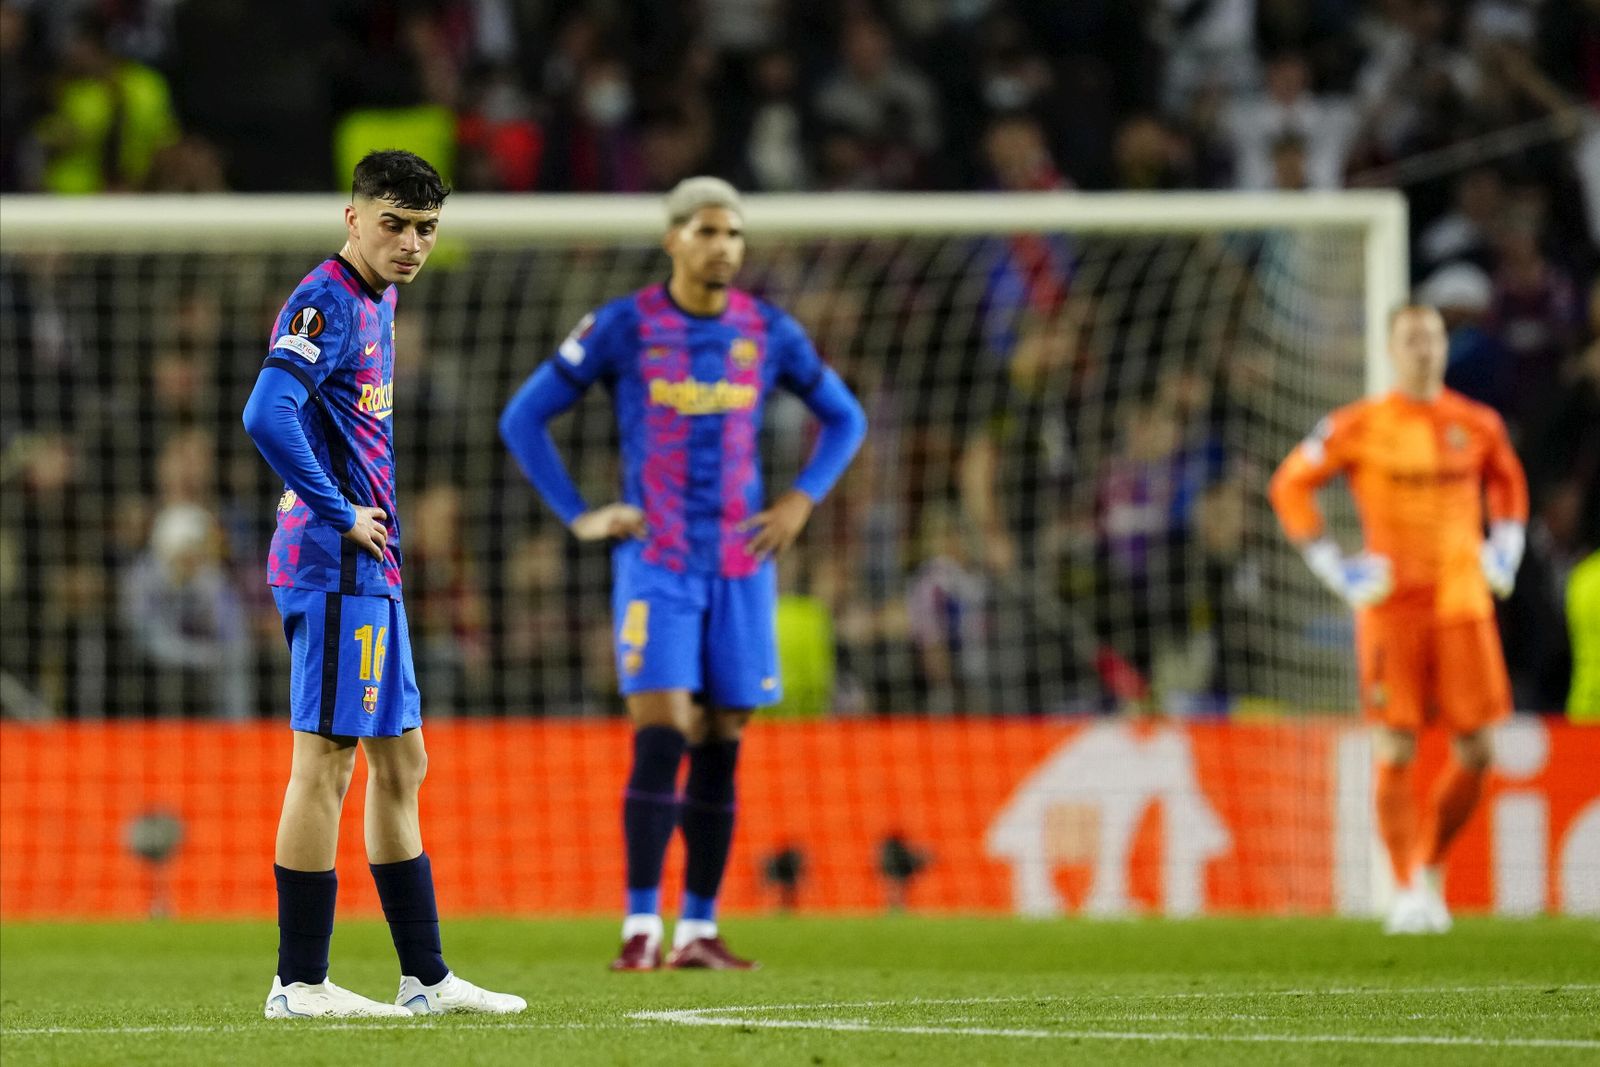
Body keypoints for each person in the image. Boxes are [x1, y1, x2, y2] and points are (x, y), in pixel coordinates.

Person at [500, 176, 867, 970]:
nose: (723, 246)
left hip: (741, 563)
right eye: (707, 231)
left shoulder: (766, 331)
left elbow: (847, 416)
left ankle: (699, 927)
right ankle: (640, 925)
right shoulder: (625, 325)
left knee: (722, 739)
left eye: (734, 233)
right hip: (657, 560)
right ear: (673, 239)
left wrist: (802, 500)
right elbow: (522, 416)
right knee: (663, 730)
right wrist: (579, 512)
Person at [242, 150, 525, 1017]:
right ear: (352, 217)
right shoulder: (325, 297)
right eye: (394, 223)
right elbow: (266, 411)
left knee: (404, 762)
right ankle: (299, 982)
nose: (410, 243)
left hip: (372, 567)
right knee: (324, 763)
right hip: (334, 564)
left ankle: (426, 978)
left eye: (426, 228)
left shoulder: (380, 299)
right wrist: (338, 512)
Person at [1269, 305, 1528, 935]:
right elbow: (1289, 485)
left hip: (1463, 604)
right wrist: (1333, 565)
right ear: (1390, 349)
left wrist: (1506, 547)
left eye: (1434, 338)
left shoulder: (1476, 423)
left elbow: (1509, 487)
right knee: (1395, 745)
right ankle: (1406, 888)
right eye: (1412, 339)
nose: (1425, 349)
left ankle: (1429, 864)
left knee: (1478, 749)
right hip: (1391, 610)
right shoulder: (1359, 424)